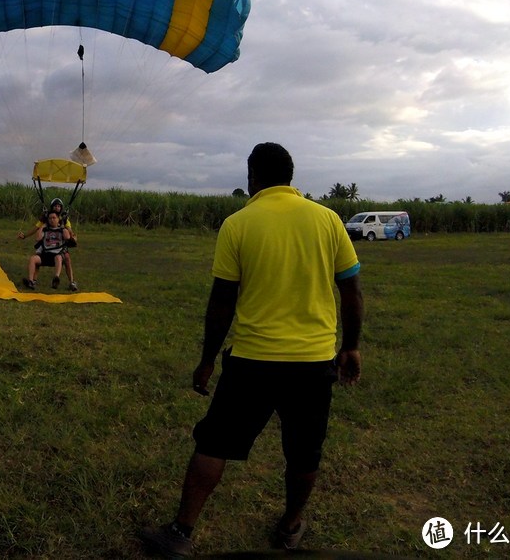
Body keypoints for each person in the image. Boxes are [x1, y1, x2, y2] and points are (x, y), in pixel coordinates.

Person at [141, 142, 364, 556]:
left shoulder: (238, 223)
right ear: (290, 176)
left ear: (252, 177)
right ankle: (290, 526)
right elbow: (350, 289)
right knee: (304, 451)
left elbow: (222, 300)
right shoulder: (329, 220)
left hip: (252, 361)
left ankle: (181, 533)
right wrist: (349, 346)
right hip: (314, 363)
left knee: (214, 444)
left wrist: (207, 360)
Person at [18, 198, 79, 290]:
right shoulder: (46, 218)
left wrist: (72, 237)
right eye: (55, 206)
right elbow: (36, 229)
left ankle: (70, 282)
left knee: (66, 258)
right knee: (37, 256)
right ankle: (32, 281)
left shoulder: (64, 219)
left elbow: (69, 232)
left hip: (59, 246)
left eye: (59, 206)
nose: (57, 208)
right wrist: (25, 236)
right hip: (46, 245)